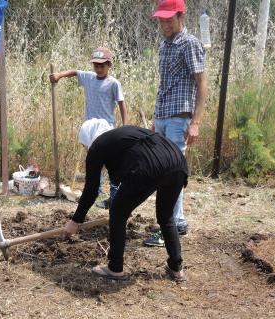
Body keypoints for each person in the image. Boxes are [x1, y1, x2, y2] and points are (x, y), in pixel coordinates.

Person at [64, 120, 188, 282]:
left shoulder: (97, 145)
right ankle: (176, 269)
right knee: (166, 216)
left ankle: (115, 268)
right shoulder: (123, 136)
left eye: (84, 145)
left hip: (152, 164)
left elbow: (91, 190)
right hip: (176, 160)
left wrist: (76, 221)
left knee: (117, 211)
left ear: (89, 138)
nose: (86, 149)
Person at [143, 0, 208, 246]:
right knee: (163, 170)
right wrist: (155, 117)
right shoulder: (164, 44)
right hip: (162, 116)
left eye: (169, 19)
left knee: (171, 171)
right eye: (161, 19)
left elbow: (202, 84)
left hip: (179, 117)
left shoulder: (190, 44)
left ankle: (167, 224)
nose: (164, 24)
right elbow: (163, 85)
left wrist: (196, 122)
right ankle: (176, 220)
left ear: (181, 16)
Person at [50, 47, 128, 209]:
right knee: (93, 161)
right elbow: (75, 72)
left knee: (110, 162)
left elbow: (121, 104)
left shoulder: (113, 83)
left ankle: (115, 195)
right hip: (90, 127)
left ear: (109, 65)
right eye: (96, 66)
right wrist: (59, 75)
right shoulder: (90, 78)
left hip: (106, 128)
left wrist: (125, 125)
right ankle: (95, 191)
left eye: (102, 66)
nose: (99, 69)